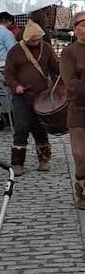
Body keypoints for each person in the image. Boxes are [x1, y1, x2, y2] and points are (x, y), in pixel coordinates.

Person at [4, 21, 59, 175]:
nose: (35, 43)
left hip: (41, 96)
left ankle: (44, 160)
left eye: (37, 40)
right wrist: (16, 86)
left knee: (40, 128)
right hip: (22, 97)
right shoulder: (15, 51)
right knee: (21, 128)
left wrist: (59, 85)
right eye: (32, 41)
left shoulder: (46, 48)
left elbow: (55, 69)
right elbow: (8, 73)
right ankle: (17, 164)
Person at [60, 11, 85, 209]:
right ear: (75, 30)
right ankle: (84, 191)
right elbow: (71, 83)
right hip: (79, 110)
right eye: (83, 25)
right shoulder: (70, 52)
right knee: (81, 154)